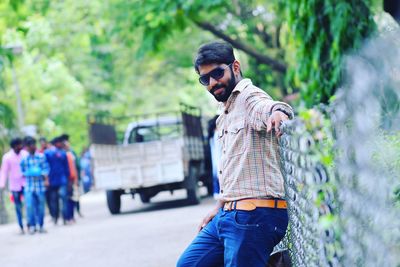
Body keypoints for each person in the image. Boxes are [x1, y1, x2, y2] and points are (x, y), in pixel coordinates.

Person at [177, 41, 294, 267]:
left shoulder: (248, 96)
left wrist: (279, 112)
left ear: (235, 67)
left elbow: (267, 107)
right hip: (228, 214)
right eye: (205, 79)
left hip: (255, 215)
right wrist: (222, 206)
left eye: (217, 73)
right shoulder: (226, 110)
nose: (212, 83)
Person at [20, 136, 50, 234]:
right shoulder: (24, 159)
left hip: (40, 186)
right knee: (30, 207)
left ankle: (40, 225)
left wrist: (40, 172)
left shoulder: (41, 157)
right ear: (27, 147)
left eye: (33, 145)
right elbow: (22, 172)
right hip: (29, 187)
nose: (31, 147)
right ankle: (32, 226)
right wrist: (28, 173)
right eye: (29, 146)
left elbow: (46, 169)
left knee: (41, 207)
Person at [0, 138, 28, 234]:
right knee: (18, 207)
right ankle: (21, 226)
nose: (20, 147)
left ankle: (29, 223)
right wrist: (2, 184)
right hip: (14, 185)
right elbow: (4, 171)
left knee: (28, 204)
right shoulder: (7, 157)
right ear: (14, 146)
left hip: (26, 183)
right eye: (19, 145)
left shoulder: (25, 154)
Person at [45, 136, 70, 225]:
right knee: (54, 200)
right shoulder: (48, 153)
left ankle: (64, 217)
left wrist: (68, 178)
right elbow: (45, 166)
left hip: (62, 179)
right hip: (52, 180)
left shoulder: (63, 153)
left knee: (63, 198)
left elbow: (66, 167)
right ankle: (55, 217)